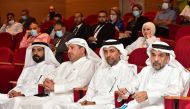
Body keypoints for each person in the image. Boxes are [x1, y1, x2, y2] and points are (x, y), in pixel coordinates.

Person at [20, 38, 101, 109]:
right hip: (51, 95)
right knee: (27, 102)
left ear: (82, 50)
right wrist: (47, 81)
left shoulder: (89, 63)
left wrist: (55, 87)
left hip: (68, 97)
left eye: (72, 48)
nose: (68, 51)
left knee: (44, 105)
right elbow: (49, 75)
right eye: (68, 49)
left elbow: (80, 83)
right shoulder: (64, 64)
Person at [56, 39, 137, 109]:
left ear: (120, 53)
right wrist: (84, 101)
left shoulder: (127, 69)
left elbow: (119, 95)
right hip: (92, 103)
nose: (108, 55)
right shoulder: (101, 69)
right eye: (105, 52)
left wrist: (94, 102)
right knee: (60, 106)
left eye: (112, 51)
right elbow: (91, 89)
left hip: (109, 105)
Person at [117, 41, 187, 109]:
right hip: (137, 105)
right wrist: (126, 89)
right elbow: (134, 83)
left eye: (161, 55)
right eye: (153, 55)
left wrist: (149, 95)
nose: (156, 59)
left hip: (159, 106)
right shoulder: (146, 70)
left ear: (168, 58)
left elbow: (175, 91)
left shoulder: (174, 72)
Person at [0, 42, 60, 109]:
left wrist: (23, 94)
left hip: (34, 97)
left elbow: (42, 88)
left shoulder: (51, 67)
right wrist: (13, 92)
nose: (35, 53)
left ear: (46, 52)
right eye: (33, 50)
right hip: (19, 94)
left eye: (39, 50)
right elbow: (20, 83)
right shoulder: (28, 67)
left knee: (17, 100)